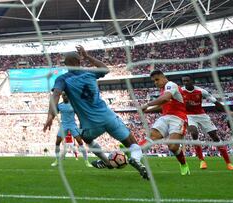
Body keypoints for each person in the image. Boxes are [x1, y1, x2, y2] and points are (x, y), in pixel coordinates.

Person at [43, 45, 148, 180]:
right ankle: (135, 159)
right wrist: (87, 56)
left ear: (65, 64)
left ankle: (106, 162)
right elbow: (105, 68)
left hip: (90, 124)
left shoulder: (63, 79)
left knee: (86, 139)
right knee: (131, 142)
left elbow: (56, 94)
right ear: (80, 61)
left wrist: (50, 115)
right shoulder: (90, 73)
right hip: (108, 116)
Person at [140, 70, 190, 175]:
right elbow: (163, 105)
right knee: (152, 136)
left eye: (157, 80)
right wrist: (148, 111)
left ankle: (183, 164)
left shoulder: (171, 85)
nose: (156, 83)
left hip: (178, 118)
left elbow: (165, 98)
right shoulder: (163, 90)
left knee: (172, 146)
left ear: (163, 77)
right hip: (165, 117)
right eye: (154, 81)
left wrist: (148, 104)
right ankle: (133, 150)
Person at [181, 75, 233, 170]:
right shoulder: (180, 91)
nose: (185, 83)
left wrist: (227, 111)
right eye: (184, 81)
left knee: (215, 137)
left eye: (187, 80)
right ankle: (202, 161)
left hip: (202, 115)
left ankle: (228, 163)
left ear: (192, 81)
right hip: (189, 116)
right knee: (194, 133)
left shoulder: (201, 91)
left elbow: (216, 102)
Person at [50, 92, 92, 167]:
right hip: (64, 125)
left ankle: (86, 161)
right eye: (64, 95)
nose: (65, 96)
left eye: (66, 95)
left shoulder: (74, 105)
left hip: (73, 125)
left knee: (80, 142)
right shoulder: (60, 106)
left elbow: (80, 114)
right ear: (62, 96)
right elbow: (54, 113)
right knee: (57, 142)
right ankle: (57, 161)